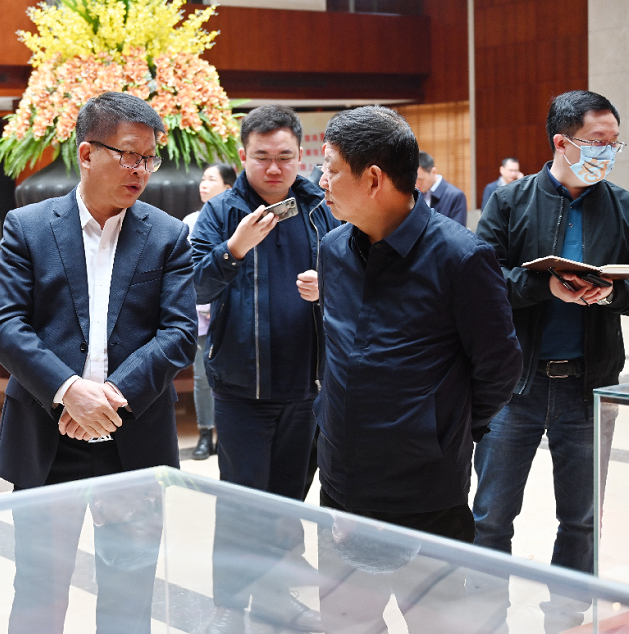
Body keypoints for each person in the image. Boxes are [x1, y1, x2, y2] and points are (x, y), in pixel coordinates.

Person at [0, 91, 197, 633]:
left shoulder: (168, 234)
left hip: (133, 438)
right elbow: (6, 327)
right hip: (47, 436)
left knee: (129, 597)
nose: (141, 170)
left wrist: (107, 398)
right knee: (39, 595)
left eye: (149, 158)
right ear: (86, 154)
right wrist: (69, 391)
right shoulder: (28, 227)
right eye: (129, 155)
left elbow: (179, 334)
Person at [315, 105, 522, 633]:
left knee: (437, 624)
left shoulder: (460, 257)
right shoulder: (333, 248)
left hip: (423, 488)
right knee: (345, 623)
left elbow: (499, 367)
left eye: (331, 170)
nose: (321, 182)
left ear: (374, 179)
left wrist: (446, 429)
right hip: (342, 480)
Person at [473, 90, 628, 633]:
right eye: (597, 142)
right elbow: (481, 282)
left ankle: (567, 620)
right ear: (562, 142)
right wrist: (544, 287)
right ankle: (486, 619)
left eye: (615, 143)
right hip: (514, 384)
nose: (608, 153)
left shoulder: (622, 205)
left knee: (581, 519)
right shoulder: (510, 201)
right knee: (492, 513)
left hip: (590, 385)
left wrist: (609, 292)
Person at [191, 105, 339, 633]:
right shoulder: (221, 213)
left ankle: (276, 600)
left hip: (306, 385)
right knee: (240, 503)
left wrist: (329, 287)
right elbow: (193, 285)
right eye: (261, 157)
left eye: (284, 157)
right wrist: (234, 250)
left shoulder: (321, 208)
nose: (274, 168)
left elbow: (362, 280)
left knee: (287, 502)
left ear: (301, 155)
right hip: (241, 386)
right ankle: (230, 607)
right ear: (242, 156)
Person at [182, 163, 236, 459]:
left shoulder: (242, 220)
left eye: (211, 179)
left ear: (228, 187)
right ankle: (205, 434)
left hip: (233, 311)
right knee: (202, 376)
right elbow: (186, 271)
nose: (203, 184)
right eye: (202, 179)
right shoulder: (190, 221)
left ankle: (229, 435)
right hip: (201, 313)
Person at [416, 151, 468, 225]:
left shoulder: (455, 196)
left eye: (420, 180)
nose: (416, 184)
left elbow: (457, 229)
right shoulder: (416, 194)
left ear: (433, 172)